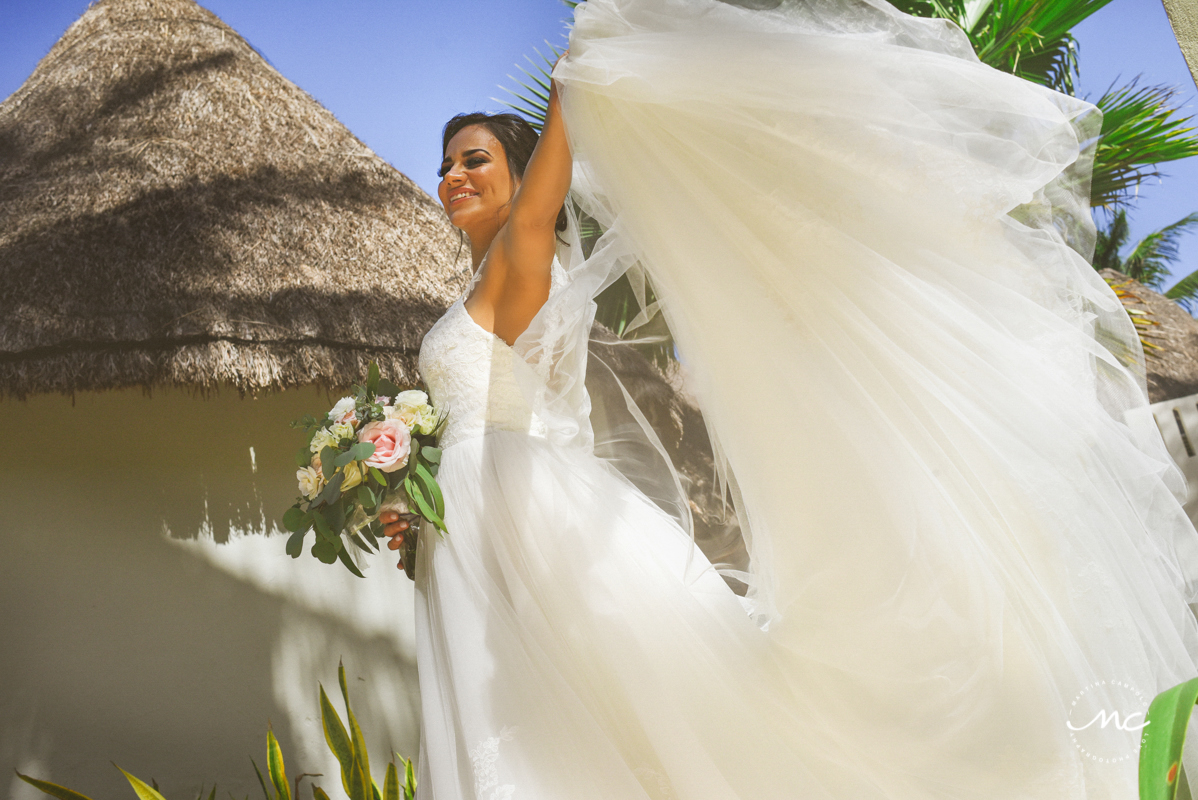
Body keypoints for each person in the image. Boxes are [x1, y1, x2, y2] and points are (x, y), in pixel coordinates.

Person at [383, 0, 1198, 796]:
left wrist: (577, 66)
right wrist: (415, 494)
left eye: (475, 159)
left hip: (526, 515)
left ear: (522, 178)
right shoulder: (471, 295)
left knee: (585, 719)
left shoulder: (518, 265)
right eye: (447, 162)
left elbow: (534, 228)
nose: (453, 174)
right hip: (474, 526)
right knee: (550, 724)